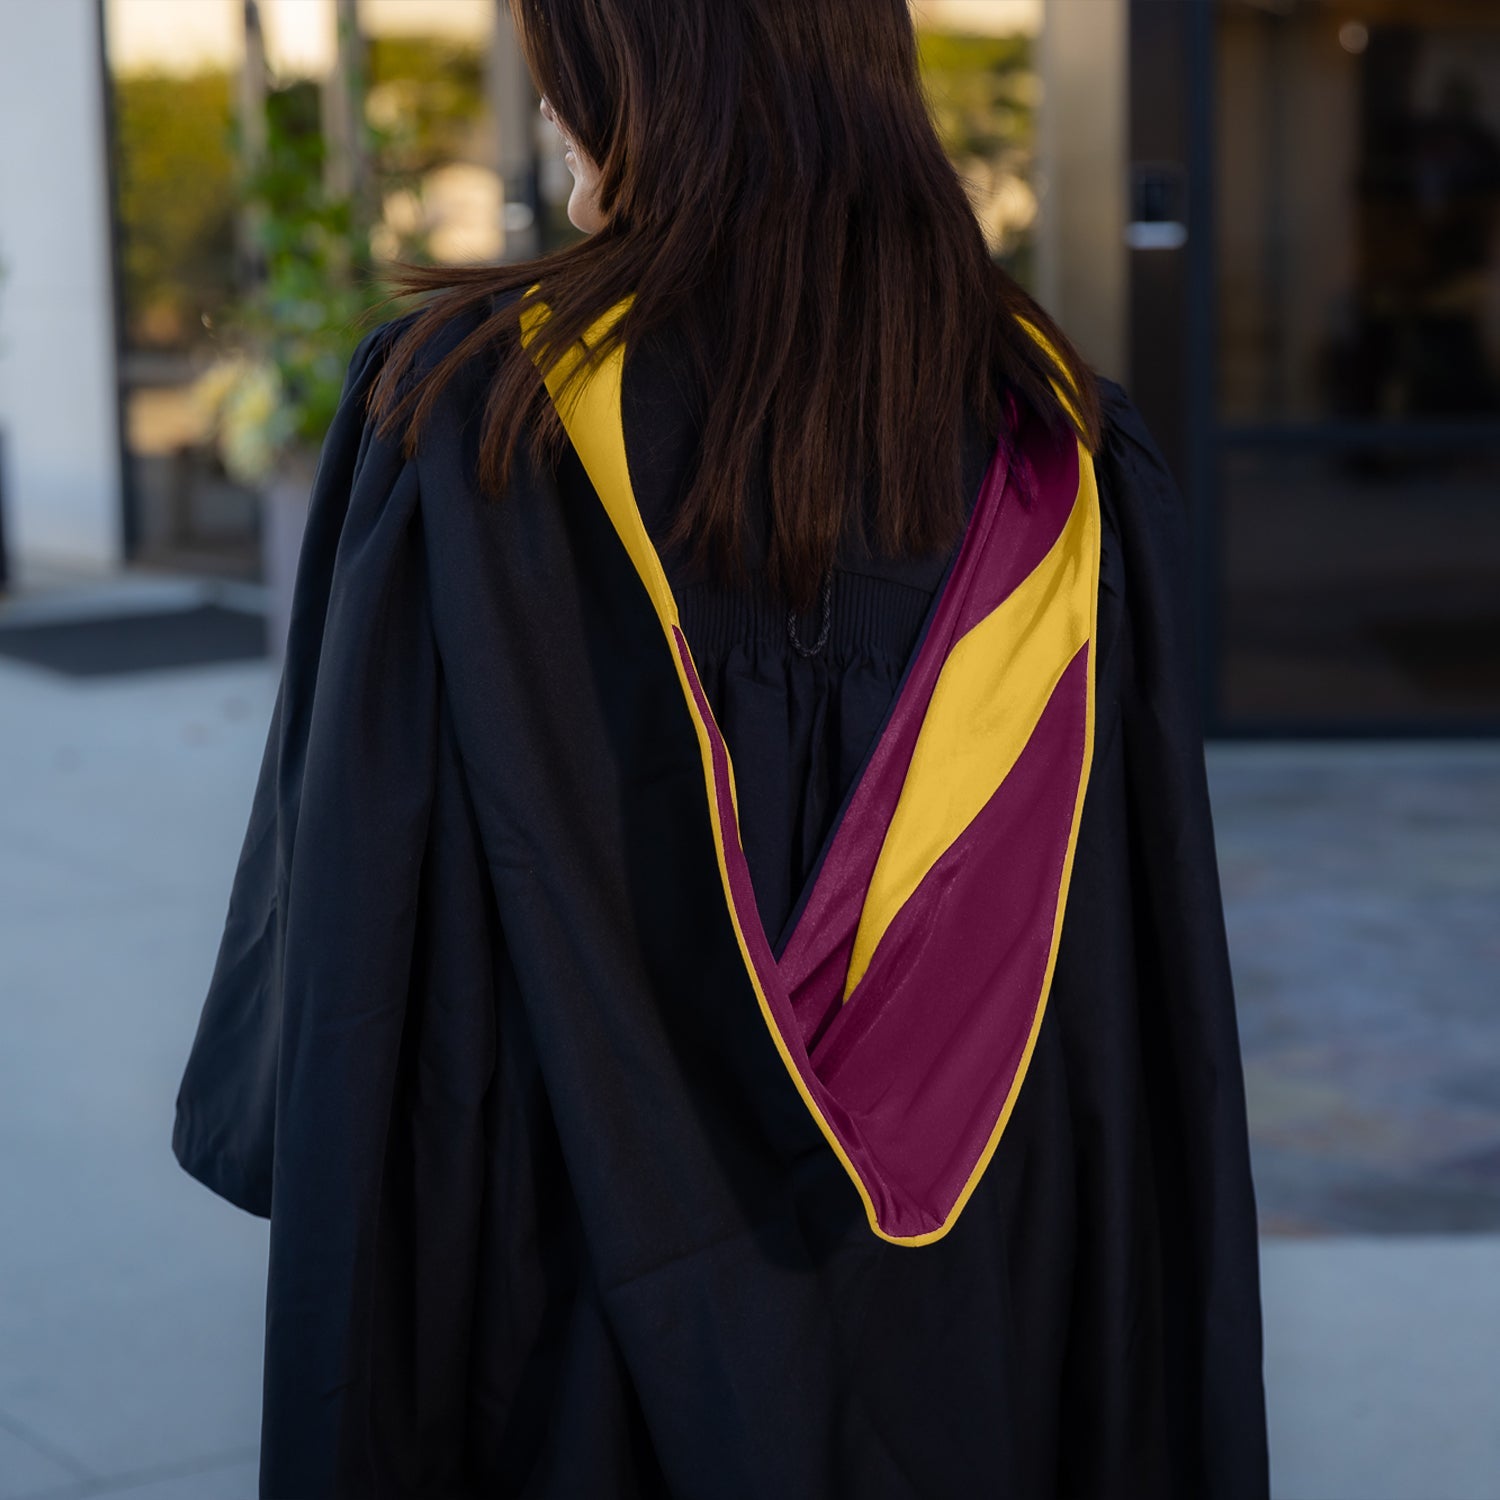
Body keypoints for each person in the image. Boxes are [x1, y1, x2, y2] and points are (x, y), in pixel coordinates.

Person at [171, 1, 1269, 1495]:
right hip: (987, 1320)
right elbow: (1136, 1008)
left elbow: (357, 943)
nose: (547, 103)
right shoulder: (1059, 445)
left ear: (654, 73)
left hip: (562, 1312)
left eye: (566, 58)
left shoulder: (468, 424)